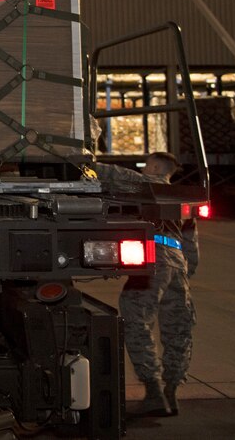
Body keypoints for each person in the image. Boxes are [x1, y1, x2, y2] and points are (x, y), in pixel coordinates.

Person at [95, 151, 199, 417]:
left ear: (153, 166)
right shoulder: (182, 197)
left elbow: (102, 171)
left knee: (136, 321)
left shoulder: (141, 183)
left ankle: (153, 389)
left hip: (153, 260)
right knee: (178, 329)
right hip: (179, 266)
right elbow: (192, 250)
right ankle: (171, 391)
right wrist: (184, 272)